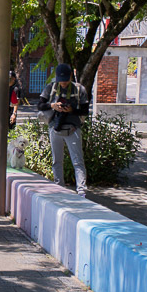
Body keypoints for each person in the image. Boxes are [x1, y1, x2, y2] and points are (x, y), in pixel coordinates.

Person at [38, 63, 90, 196]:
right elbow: (40, 105)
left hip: (73, 129)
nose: (63, 83)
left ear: (70, 77)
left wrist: (72, 110)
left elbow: (85, 111)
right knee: (57, 160)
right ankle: (59, 187)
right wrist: (53, 105)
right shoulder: (51, 87)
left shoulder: (79, 90)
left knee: (78, 161)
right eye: (61, 81)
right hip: (55, 128)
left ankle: (81, 190)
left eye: (66, 80)